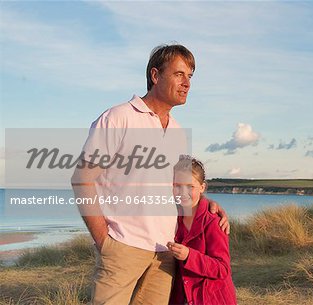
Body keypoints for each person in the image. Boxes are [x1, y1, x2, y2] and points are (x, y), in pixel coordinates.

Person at [71, 44, 229, 305]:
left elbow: (175, 187)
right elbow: (82, 179)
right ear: (155, 76)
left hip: (165, 252)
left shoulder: (177, 131)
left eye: (190, 76)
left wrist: (207, 204)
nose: (187, 83)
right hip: (122, 247)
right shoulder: (119, 117)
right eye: (179, 74)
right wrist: (104, 241)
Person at [167, 156, 237, 305]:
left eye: (190, 186)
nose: (182, 192)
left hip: (211, 299)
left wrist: (189, 256)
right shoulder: (173, 215)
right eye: (177, 186)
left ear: (202, 187)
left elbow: (222, 268)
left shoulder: (213, 221)